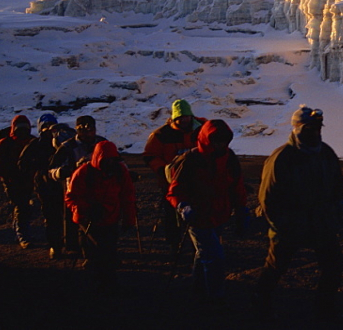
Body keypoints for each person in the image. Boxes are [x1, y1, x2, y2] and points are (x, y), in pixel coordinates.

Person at [253, 106, 343, 322]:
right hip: (291, 226)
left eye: (316, 128)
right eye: (308, 128)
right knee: (276, 266)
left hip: (321, 222)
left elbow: (337, 183)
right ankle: (260, 305)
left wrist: (336, 210)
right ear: (296, 129)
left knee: (333, 266)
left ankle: (325, 309)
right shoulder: (282, 158)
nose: (314, 133)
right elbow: (268, 197)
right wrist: (282, 225)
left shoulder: (325, 153)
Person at [166, 119, 249, 305]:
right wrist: (183, 206)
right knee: (215, 257)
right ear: (206, 139)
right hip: (197, 217)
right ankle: (215, 298)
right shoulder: (191, 160)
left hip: (219, 215)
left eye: (223, 141)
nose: (220, 145)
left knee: (203, 254)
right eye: (216, 140)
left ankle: (199, 289)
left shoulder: (229, 158)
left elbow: (237, 186)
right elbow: (175, 191)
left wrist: (241, 208)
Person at [65, 140, 137, 291]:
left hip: (110, 218)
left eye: (112, 160)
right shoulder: (84, 172)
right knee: (94, 254)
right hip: (88, 220)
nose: (110, 163)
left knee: (108, 252)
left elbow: (127, 195)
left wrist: (129, 219)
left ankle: (107, 284)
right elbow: (71, 197)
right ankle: (98, 283)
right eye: (107, 160)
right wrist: (86, 209)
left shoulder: (120, 172)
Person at [142, 99, 206, 244]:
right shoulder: (161, 135)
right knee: (172, 217)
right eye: (180, 118)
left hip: (199, 181)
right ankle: (174, 245)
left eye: (186, 117)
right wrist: (163, 171)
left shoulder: (202, 128)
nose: (184, 120)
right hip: (171, 183)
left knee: (200, 215)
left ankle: (196, 246)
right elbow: (150, 155)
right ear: (174, 118)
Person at [49, 115, 108, 254]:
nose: (86, 133)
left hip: (100, 188)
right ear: (76, 129)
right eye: (82, 129)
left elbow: (117, 160)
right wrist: (61, 172)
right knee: (74, 219)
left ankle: (95, 251)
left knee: (99, 219)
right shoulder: (68, 147)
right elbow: (51, 168)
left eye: (90, 129)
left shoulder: (102, 143)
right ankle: (73, 247)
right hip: (75, 189)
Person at [18, 113, 66, 259]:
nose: (48, 129)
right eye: (45, 126)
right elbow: (22, 164)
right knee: (52, 215)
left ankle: (70, 244)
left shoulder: (61, 142)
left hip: (63, 181)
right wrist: (39, 168)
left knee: (69, 214)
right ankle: (55, 245)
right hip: (46, 184)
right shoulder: (37, 144)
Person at [0, 114, 37, 248]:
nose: (22, 131)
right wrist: (9, 176)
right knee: (22, 206)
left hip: (28, 180)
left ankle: (21, 232)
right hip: (13, 182)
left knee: (24, 206)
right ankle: (23, 236)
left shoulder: (32, 142)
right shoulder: (5, 144)